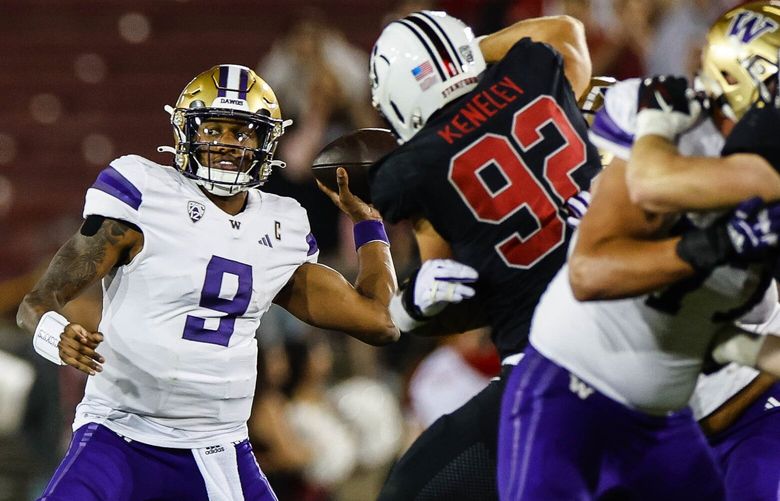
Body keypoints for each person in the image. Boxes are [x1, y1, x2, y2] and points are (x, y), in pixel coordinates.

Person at [16, 64, 399, 501]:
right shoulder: (143, 193)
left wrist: (368, 222)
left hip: (217, 449)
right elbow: (37, 302)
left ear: (265, 141)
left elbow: (380, 321)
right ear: (186, 132)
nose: (226, 145)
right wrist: (56, 334)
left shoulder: (282, 225)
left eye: (242, 132)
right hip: (117, 433)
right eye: (213, 129)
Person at [497, 5, 780, 498]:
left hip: (663, 416)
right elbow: (590, 274)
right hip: (572, 387)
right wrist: (718, 242)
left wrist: (758, 350)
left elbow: (695, 322)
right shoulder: (662, 118)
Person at [367, 10, 599, 500]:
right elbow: (566, 31)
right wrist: (471, 51)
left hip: (547, 364)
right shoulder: (537, 76)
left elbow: (457, 295)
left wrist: (407, 311)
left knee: (410, 490)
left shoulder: (413, 171)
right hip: (639, 316)